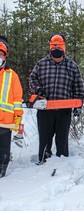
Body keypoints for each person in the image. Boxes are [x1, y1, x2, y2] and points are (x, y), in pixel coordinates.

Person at [29, 33, 84, 164]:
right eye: (54, 50)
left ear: (63, 49)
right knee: (45, 138)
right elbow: (32, 79)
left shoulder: (71, 65)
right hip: (45, 108)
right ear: (50, 49)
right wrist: (39, 92)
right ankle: (43, 160)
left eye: (59, 49)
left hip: (63, 110)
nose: (56, 52)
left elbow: (78, 85)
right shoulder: (41, 64)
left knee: (62, 139)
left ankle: (62, 162)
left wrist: (78, 104)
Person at [0, 36, 23, 177]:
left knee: (3, 152)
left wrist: (18, 116)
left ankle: (2, 171)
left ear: (5, 56)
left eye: (1, 54)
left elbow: (17, 98)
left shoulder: (12, 75)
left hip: (6, 123)